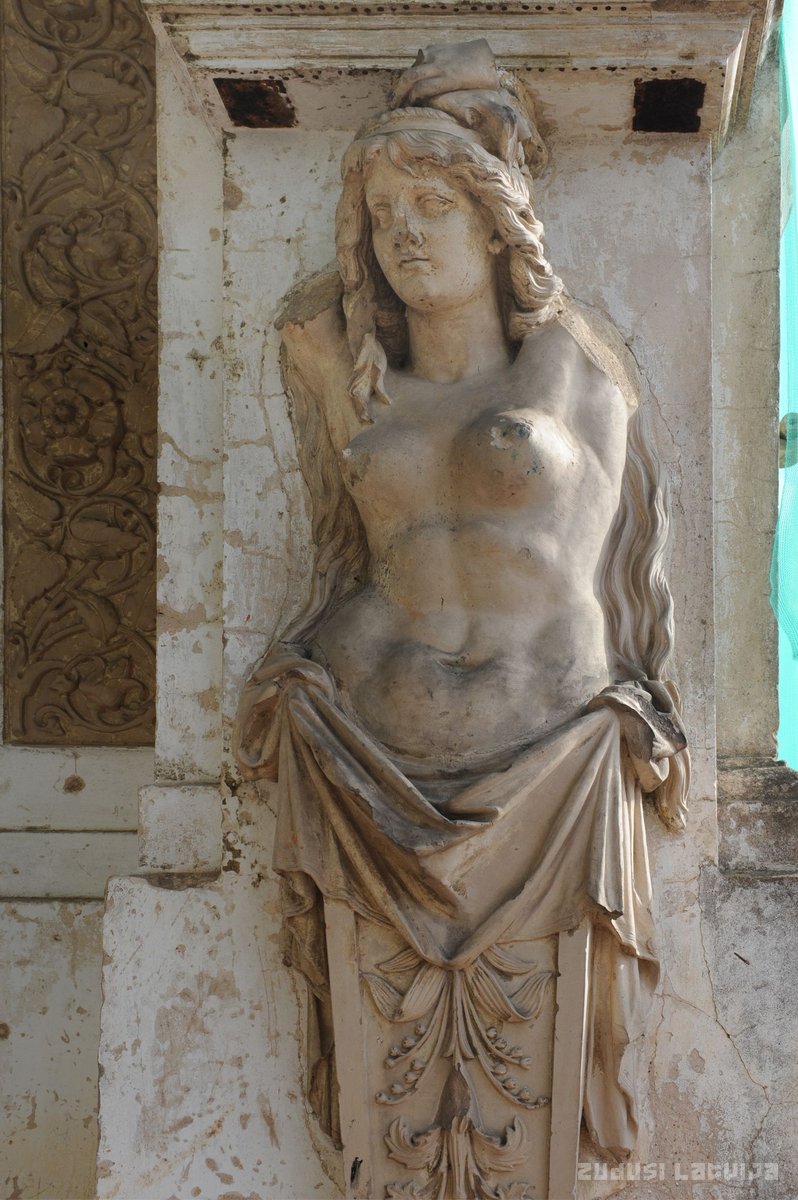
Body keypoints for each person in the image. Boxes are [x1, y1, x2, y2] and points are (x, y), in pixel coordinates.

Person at [236, 39, 689, 1170]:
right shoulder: (338, 368)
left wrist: (472, 129)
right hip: (359, 760)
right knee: (385, 1111)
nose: (406, 233)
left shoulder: (574, 364)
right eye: (384, 215)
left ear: (496, 224)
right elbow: (341, 549)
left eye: (435, 205)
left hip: (551, 769)